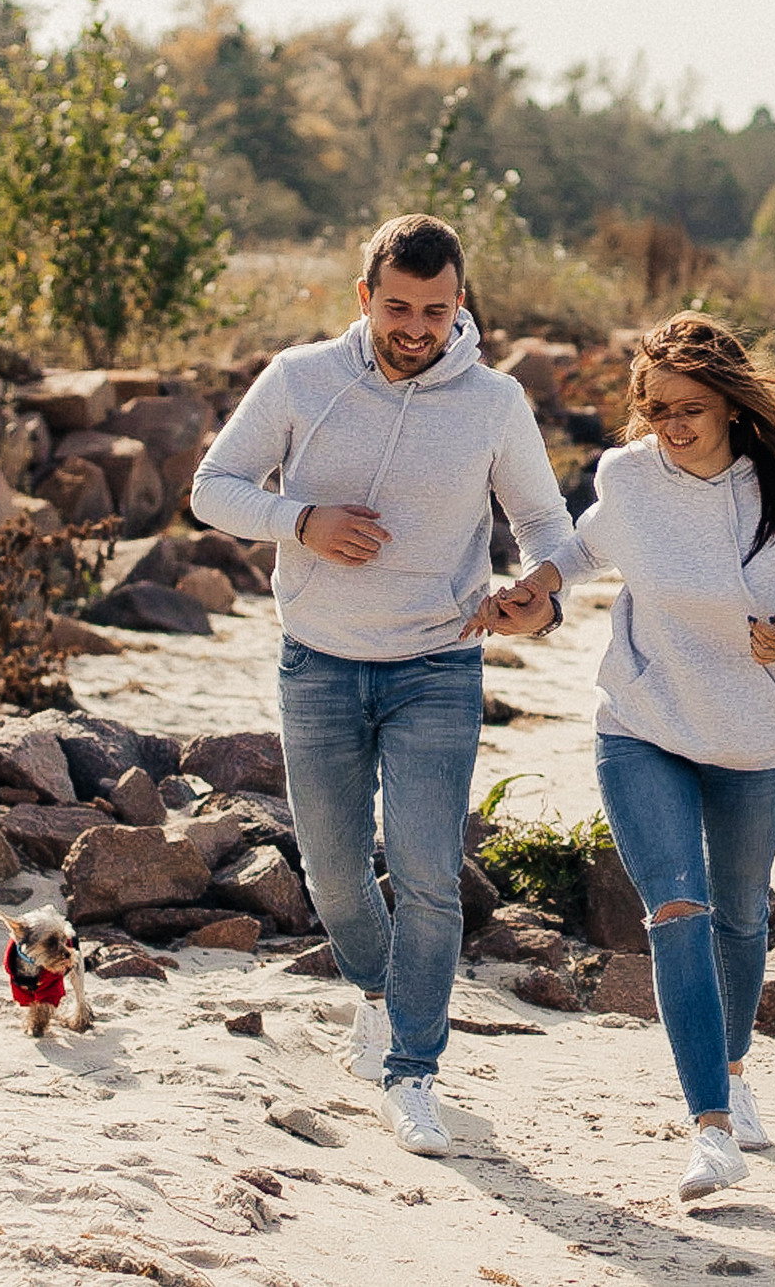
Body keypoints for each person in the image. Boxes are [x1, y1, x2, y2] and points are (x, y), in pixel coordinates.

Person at [190, 213, 574, 1157]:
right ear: (365, 297)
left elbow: (550, 529)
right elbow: (211, 485)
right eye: (397, 307)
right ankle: (376, 993)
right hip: (317, 659)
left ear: (460, 306)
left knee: (430, 875)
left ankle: (415, 1071)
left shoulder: (492, 402)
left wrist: (541, 596)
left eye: (435, 311)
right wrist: (302, 519)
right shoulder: (300, 379)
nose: (416, 327)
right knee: (330, 871)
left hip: (438, 665)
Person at [516, 310, 775, 1202]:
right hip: (643, 719)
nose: (672, 424)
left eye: (692, 408)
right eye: (656, 406)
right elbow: (588, 545)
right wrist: (538, 585)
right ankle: (710, 1128)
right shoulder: (628, 477)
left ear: (733, 406)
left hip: (754, 731)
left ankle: (736, 1074)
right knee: (677, 908)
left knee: (743, 915)